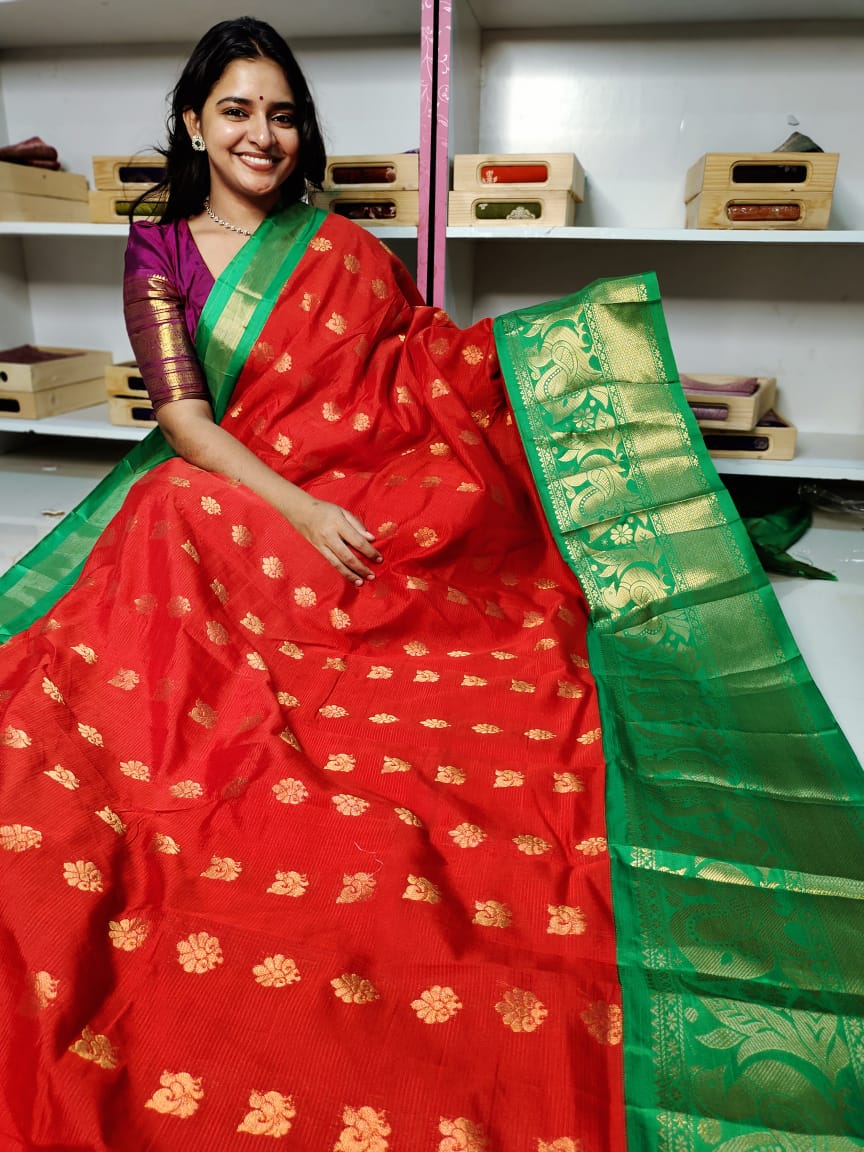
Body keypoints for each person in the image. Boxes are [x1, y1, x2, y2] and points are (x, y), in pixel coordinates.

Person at [0, 17, 861, 1152]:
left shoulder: (338, 246)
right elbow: (184, 419)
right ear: (194, 124)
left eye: (282, 114)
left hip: (365, 470)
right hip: (241, 477)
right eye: (237, 111)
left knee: (453, 534)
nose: (262, 135)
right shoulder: (160, 245)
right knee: (170, 507)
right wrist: (302, 509)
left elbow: (417, 359)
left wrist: (555, 357)